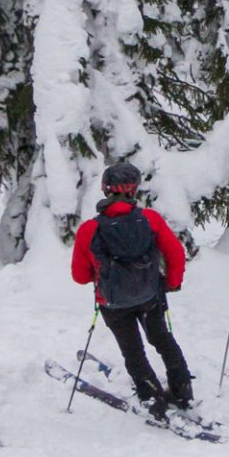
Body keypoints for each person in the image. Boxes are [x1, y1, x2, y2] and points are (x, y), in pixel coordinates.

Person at [71, 162, 192, 419]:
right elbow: (175, 253)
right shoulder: (150, 219)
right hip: (150, 296)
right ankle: (182, 389)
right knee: (162, 338)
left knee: (133, 351)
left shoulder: (90, 229)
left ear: (106, 189)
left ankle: (151, 398)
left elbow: (79, 276)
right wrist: (171, 283)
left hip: (113, 303)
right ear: (133, 189)